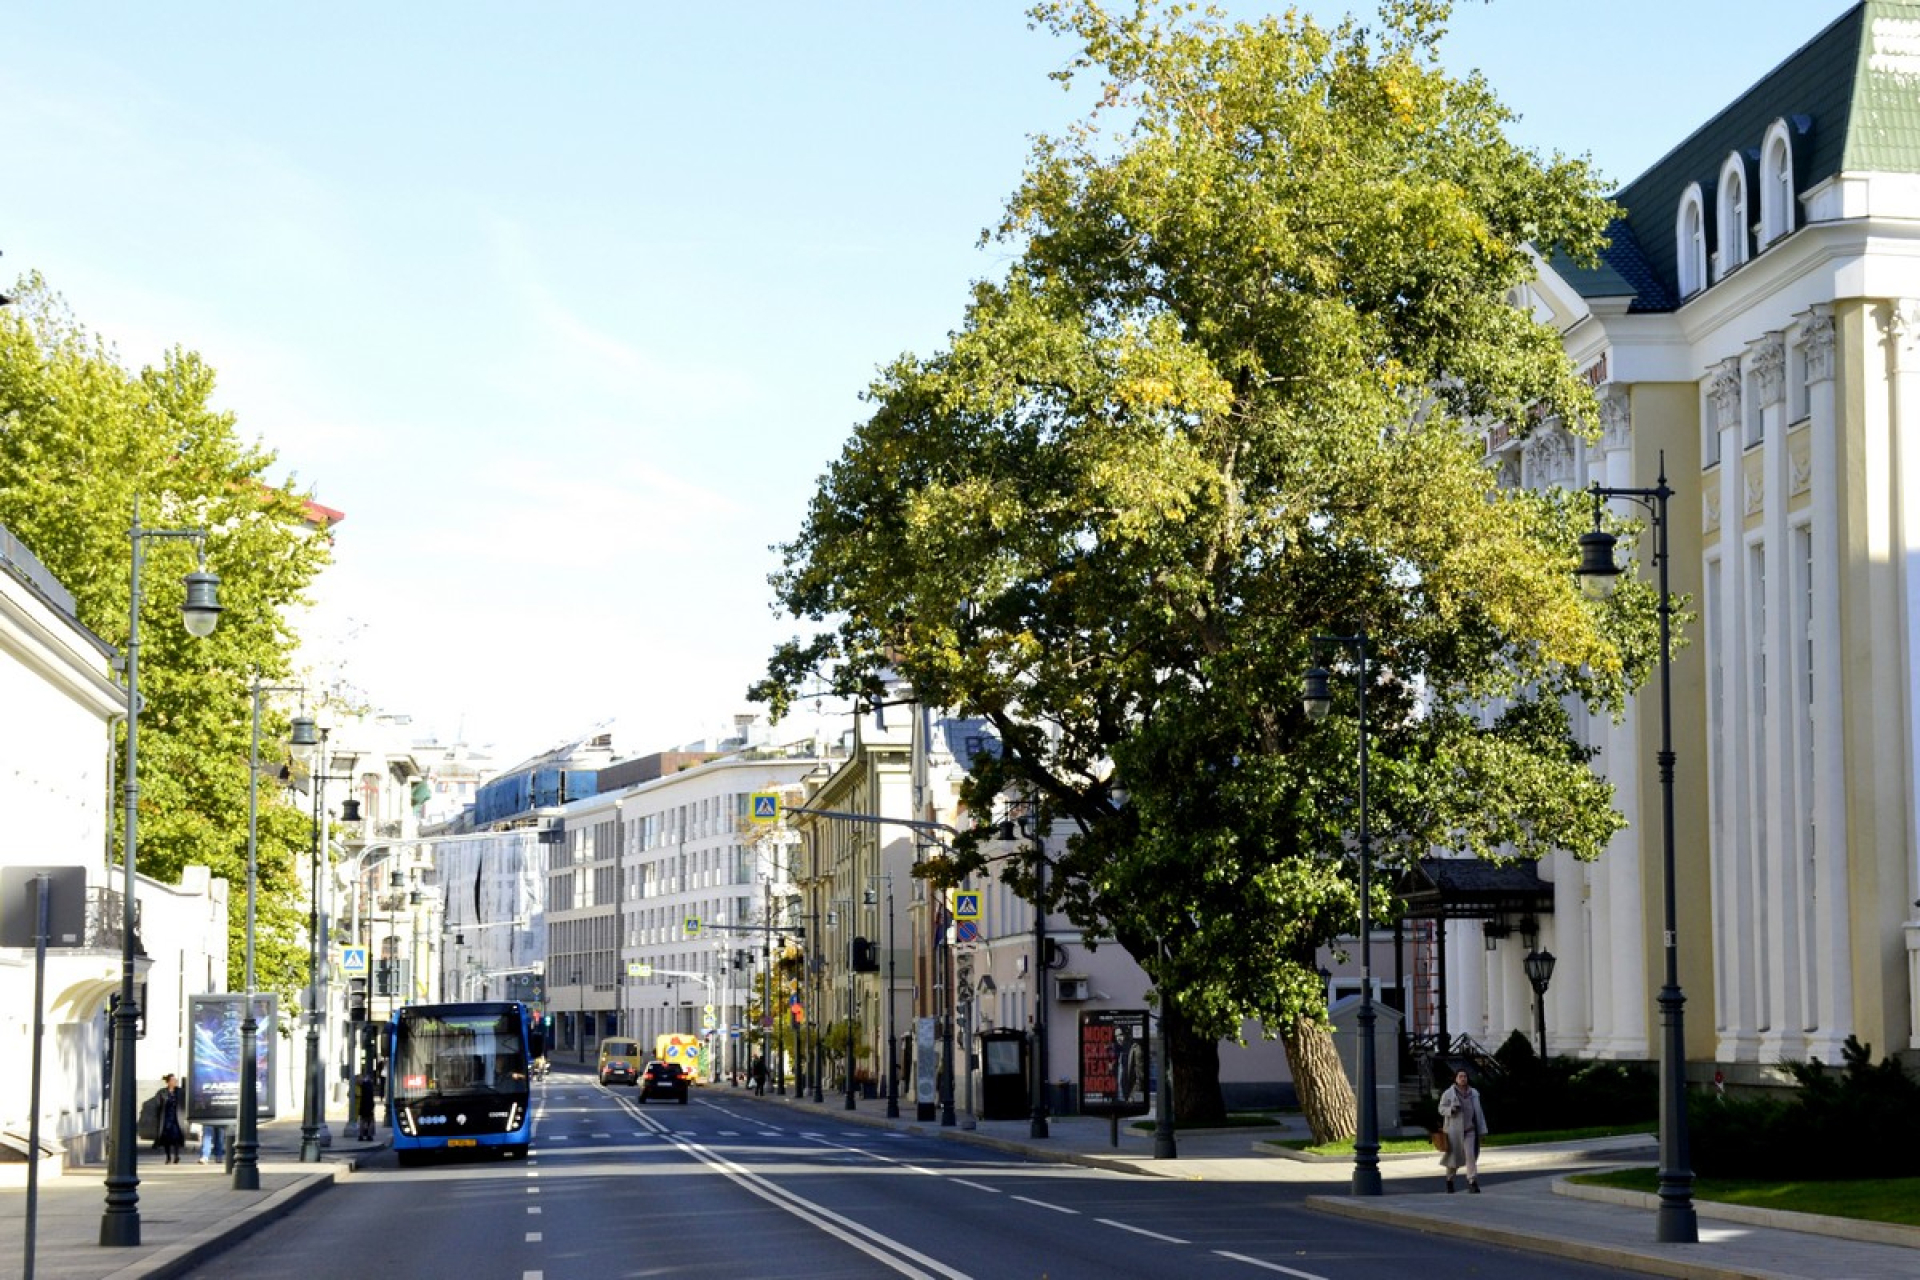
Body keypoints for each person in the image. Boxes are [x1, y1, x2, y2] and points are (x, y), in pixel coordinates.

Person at [1436, 1068, 1489, 1193]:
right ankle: (1449, 1180)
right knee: (1454, 1158)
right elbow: (1441, 1109)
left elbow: (1479, 1112)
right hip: (1454, 1132)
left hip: (1470, 1130)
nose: (1463, 1078)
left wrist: (1482, 1130)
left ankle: (1472, 1182)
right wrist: (1451, 1110)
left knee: (1470, 1156)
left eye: (1465, 1076)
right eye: (1460, 1076)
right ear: (1456, 1079)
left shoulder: (1474, 1093)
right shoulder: (1449, 1093)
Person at [152, 1074, 186, 1164]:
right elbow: (157, 1105)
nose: (175, 1082)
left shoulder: (180, 1091)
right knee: (167, 1138)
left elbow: (185, 1102)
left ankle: (176, 1155)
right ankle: (168, 1157)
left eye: (175, 1080)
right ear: (168, 1082)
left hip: (177, 1118)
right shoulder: (162, 1092)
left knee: (176, 1137)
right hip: (166, 1118)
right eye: (173, 1080)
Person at [355, 1067, 379, 1141]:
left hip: (363, 1106)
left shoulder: (362, 1086)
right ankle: (369, 1135)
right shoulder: (369, 1085)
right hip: (369, 1106)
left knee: (363, 1121)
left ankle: (361, 1135)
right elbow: (371, 1097)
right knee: (370, 1121)